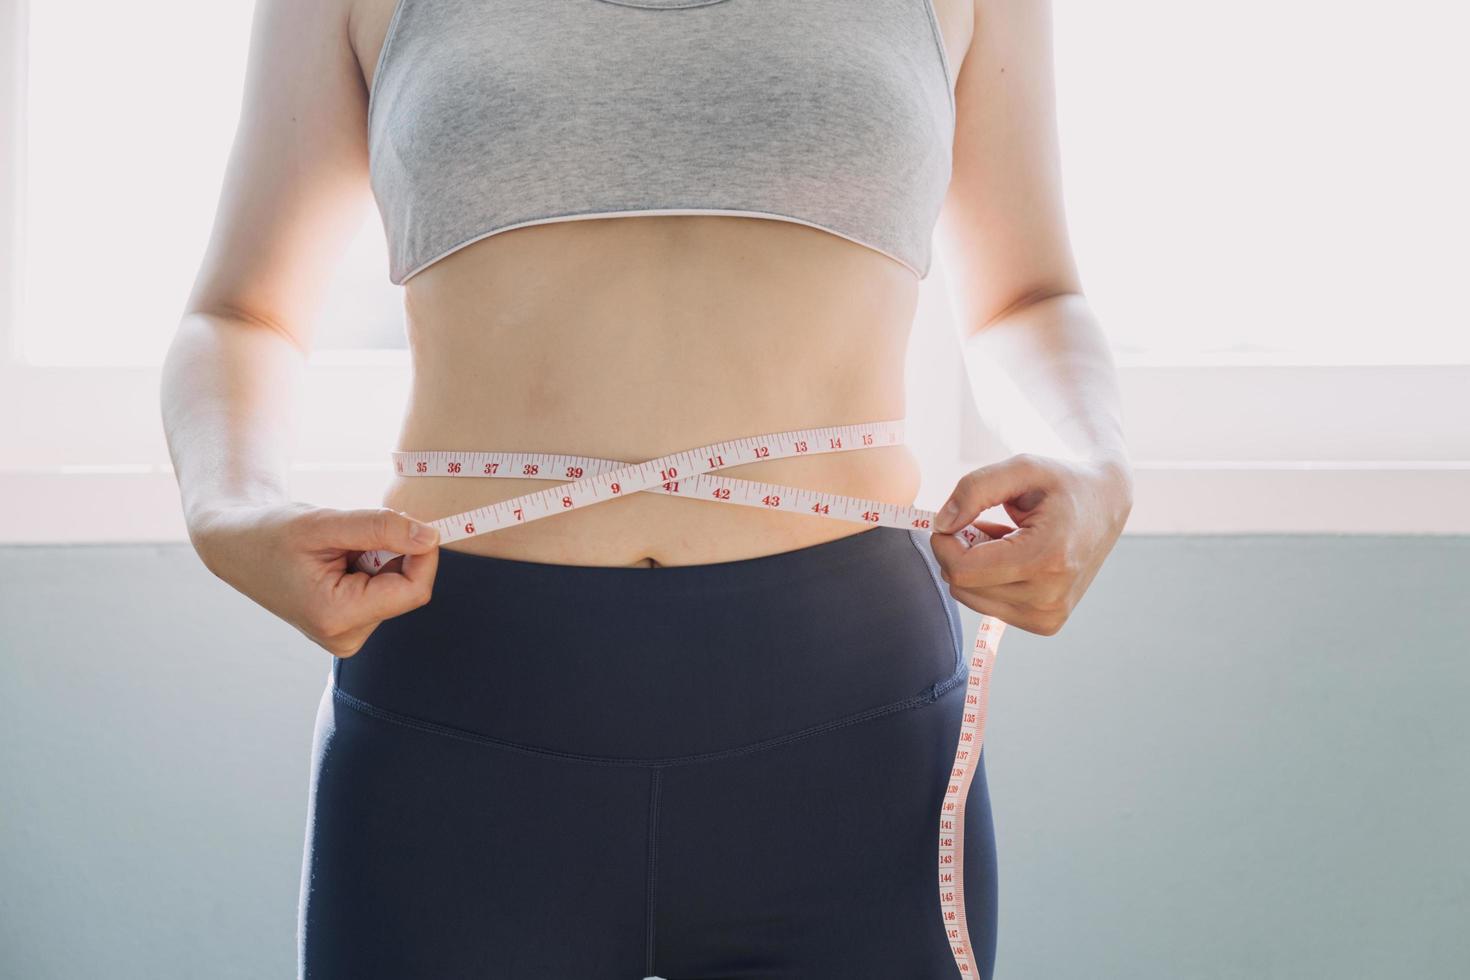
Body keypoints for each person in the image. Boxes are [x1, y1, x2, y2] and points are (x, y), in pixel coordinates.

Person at [159, 0, 1133, 976]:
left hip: (854, 720)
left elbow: (1030, 294)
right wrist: (228, 506)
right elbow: (241, 309)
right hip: (463, 709)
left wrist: (1093, 462)